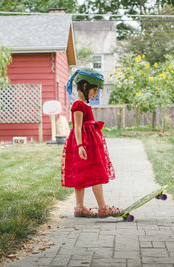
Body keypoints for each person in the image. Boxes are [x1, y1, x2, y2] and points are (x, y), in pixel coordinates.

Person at [61, 69, 123, 218]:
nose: (95, 94)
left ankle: (80, 207)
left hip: (89, 143)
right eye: (94, 90)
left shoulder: (83, 104)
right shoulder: (78, 105)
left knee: (82, 173)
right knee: (95, 172)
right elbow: (77, 126)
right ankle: (102, 208)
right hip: (84, 144)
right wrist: (81, 145)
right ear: (85, 86)